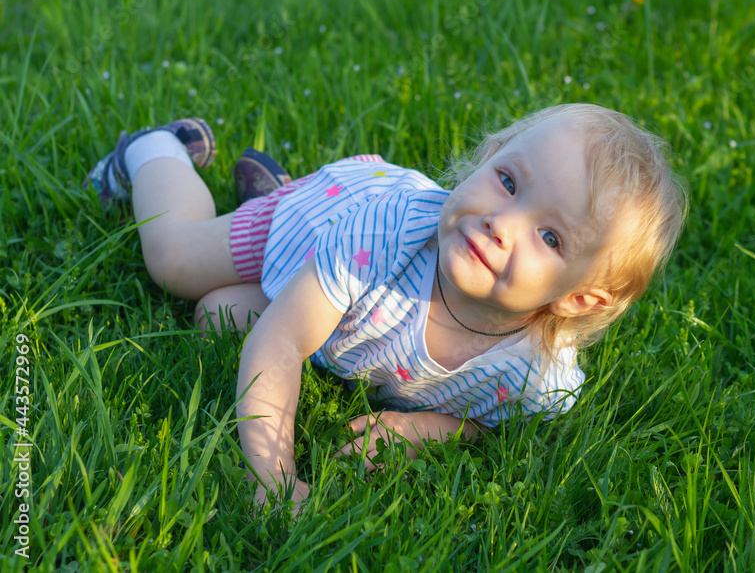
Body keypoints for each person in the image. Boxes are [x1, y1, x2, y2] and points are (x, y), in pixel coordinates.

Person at [85, 103, 689, 513]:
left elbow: (487, 424)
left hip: (338, 306)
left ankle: (267, 192)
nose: (502, 223)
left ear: (579, 297)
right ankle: (157, 149)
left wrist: (427, 429)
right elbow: (281, 344)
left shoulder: (535, 376)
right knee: (174, 262)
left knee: (219, 315)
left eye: (550, 237)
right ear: (488, 155)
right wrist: (273, 477)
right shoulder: (382, 235)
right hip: (323, 220)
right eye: (507, 181)